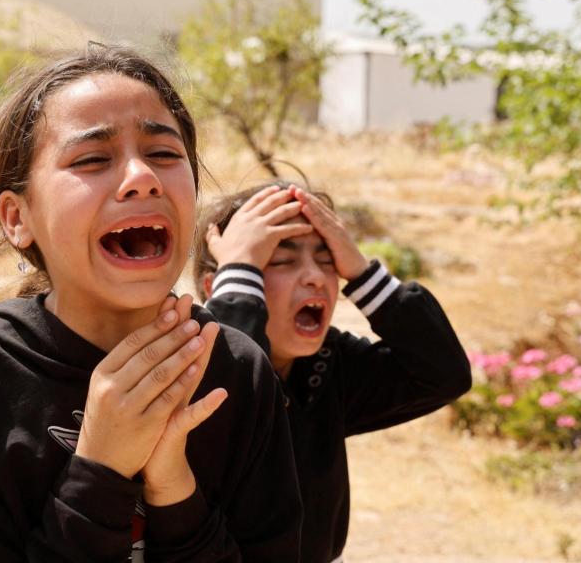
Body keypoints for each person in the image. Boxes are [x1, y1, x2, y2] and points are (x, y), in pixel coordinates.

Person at [0, 47, 301, 563]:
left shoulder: (237, 372)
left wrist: (174, 489)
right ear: (17, 218)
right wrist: (99, 473)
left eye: (163, 153)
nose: (142, 177)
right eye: (92, 159)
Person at [193, 181, 472, 563]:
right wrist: (239, 271)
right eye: (281, 261)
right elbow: (231, 399)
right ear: (221, 285)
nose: (315, 277)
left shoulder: (327, 364)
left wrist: (361, 271)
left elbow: (443, 374)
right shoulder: (191, 366)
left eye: (328, 261)